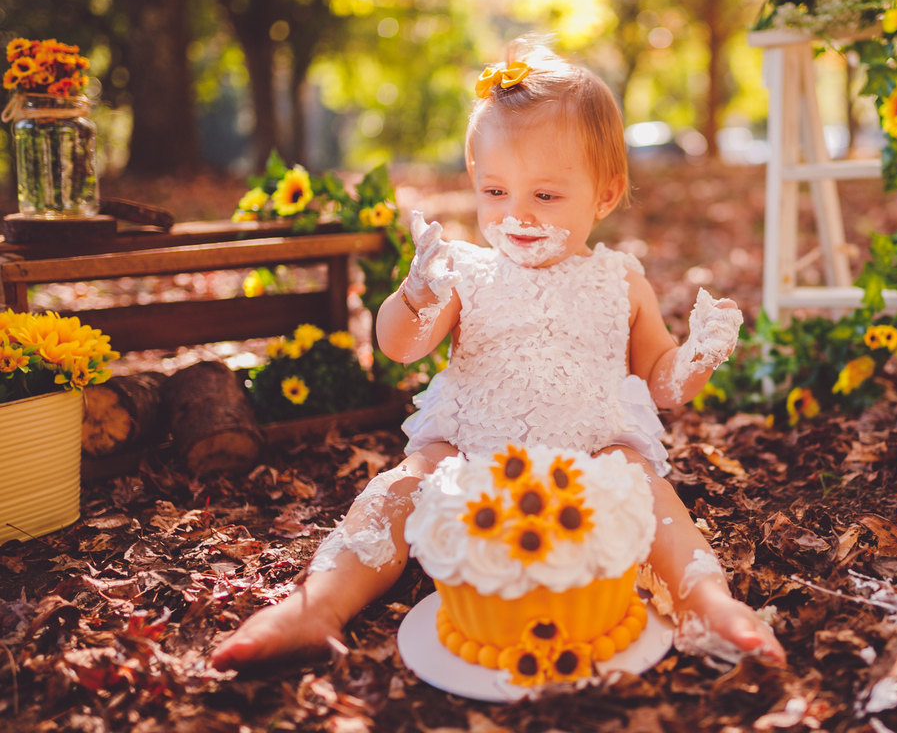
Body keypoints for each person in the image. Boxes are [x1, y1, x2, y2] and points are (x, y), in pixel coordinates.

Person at [211, 40, 785, 672]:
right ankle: (318, 604)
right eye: (494, 191)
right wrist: (416, 293)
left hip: (589, 458)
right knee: (402, 484)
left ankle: (706, 599)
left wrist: (696, 357)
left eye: (545, 197)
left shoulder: (622, 280)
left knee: (643, 483)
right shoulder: (464, 271)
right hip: (469, 452)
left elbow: (662, 382)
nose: (517, 216)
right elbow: (401, 346)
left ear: (605, 193)